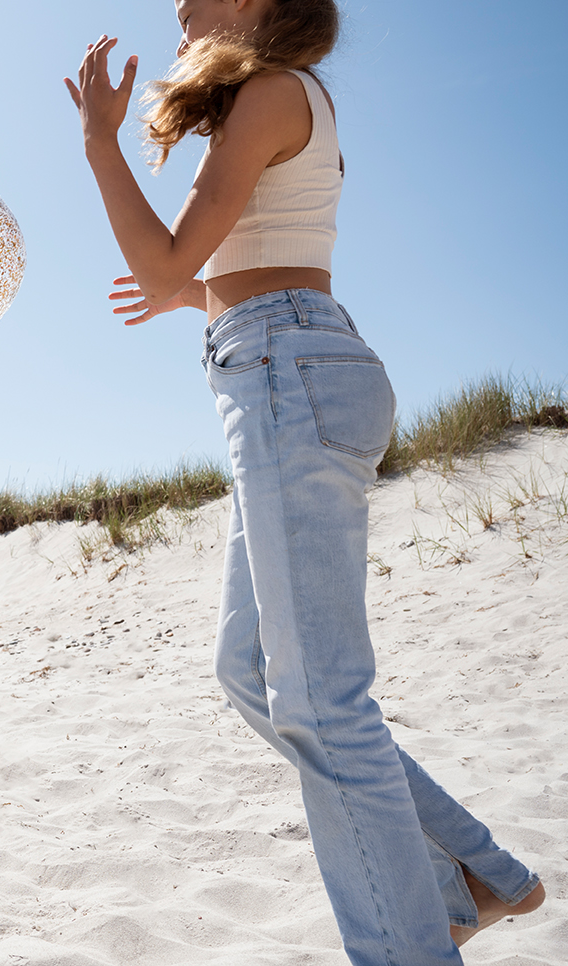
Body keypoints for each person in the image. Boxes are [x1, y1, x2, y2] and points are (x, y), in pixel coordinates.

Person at [64, 2, 545, 963]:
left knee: (323, 702)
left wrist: (99, 147)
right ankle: (469, 872)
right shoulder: (281, 100)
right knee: (248, 674)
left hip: (287, 370)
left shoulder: (276, 94)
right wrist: (188, 295)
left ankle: (426, 930)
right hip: (284, 363)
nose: (183, 9)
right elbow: (234, 267)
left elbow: (169, 255)